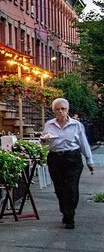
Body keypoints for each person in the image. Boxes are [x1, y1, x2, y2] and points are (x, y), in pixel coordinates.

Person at [41, 98, 95, 230]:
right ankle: (65, 210)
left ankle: (70, 216)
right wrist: (43, 140)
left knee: (71, 187)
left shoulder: (76, 125)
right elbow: (44, 142)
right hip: (55, 158)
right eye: (57, 109)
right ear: (53, 111)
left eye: (63, 108)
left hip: (72, 158)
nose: (60, 111)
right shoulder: (49, 125)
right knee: (59, 188)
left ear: (67, 110)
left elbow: (83, 143)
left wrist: (89, 160)